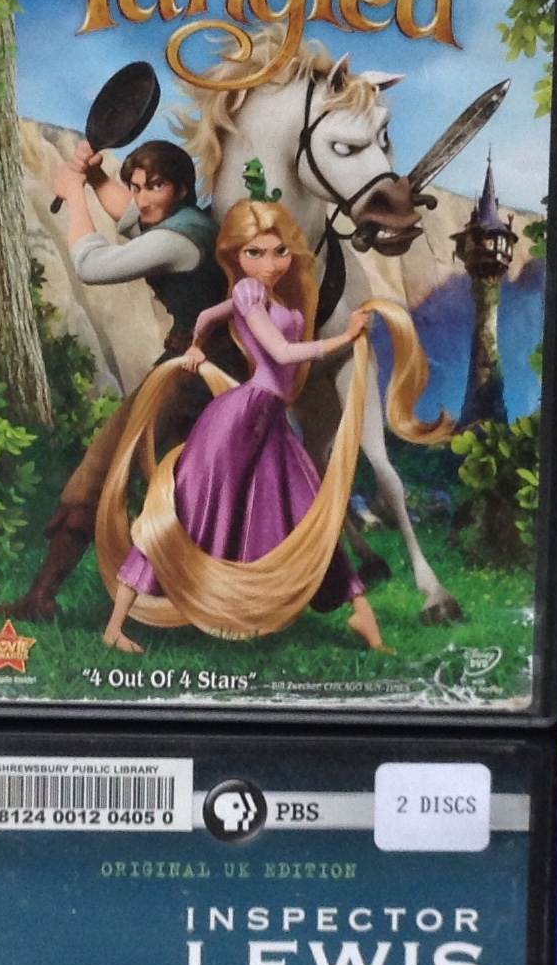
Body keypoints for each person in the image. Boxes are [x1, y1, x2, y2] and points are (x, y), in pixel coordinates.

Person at [97, 198, 393, 655]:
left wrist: (197, 344)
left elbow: (207, 317)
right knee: (189, 510)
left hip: (269, 422)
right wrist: (345, 337)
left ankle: (360, 612)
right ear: (237, 255)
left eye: (278, 251)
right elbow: (281, 353)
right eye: (255, 253)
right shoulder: (250, 294)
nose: (269, 263)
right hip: (239, 418)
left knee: (307, 512)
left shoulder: (270, 296)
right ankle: (116, 625)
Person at [1, 139, 236, 621]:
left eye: (155, 186)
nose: (142, 198)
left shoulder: (177, 241)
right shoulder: (188, 223)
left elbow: (92, 266)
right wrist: (93, 178)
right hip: (210, 367)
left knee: (102, 467)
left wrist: (74, 194)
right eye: (136, 186)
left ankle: (43, 595)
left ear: (182, 188)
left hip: (191, 374)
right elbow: (133, 217)